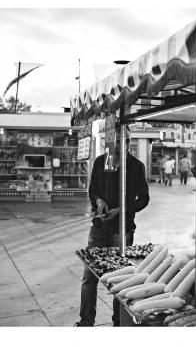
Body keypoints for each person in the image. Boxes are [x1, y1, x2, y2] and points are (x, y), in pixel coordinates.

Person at [75, 124, 150, 327]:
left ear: (129, 140)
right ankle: (85, 322)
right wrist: (99, 201)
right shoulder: (100, 163)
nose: (120, 145)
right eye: (116, 141)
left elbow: (143, 199)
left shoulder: (136, 166)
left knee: (120, 280)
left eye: (125, 140)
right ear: (109, 142)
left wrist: (121, 210)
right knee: (89, 278)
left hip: (122, 230)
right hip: (99, 229)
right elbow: (92, 191)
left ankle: (119, 323)